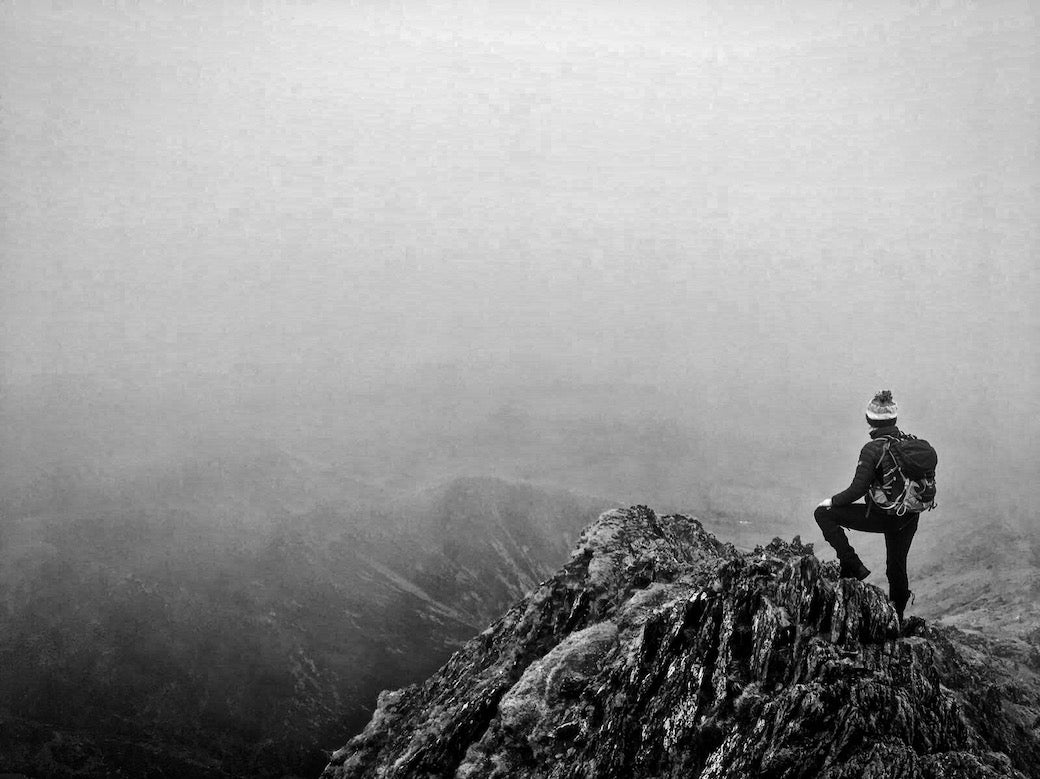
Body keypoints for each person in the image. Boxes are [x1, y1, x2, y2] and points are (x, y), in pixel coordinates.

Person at [814, 390, 918, 622]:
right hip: (908, 516)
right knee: (896, 567)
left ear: (869, 420)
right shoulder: (909, 444)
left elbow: (857, 490)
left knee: (823, 514)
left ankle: (852, 564)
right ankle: (897, 619)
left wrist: (831, 501)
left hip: (884, 516)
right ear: (895, 419)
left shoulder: (872, 449)